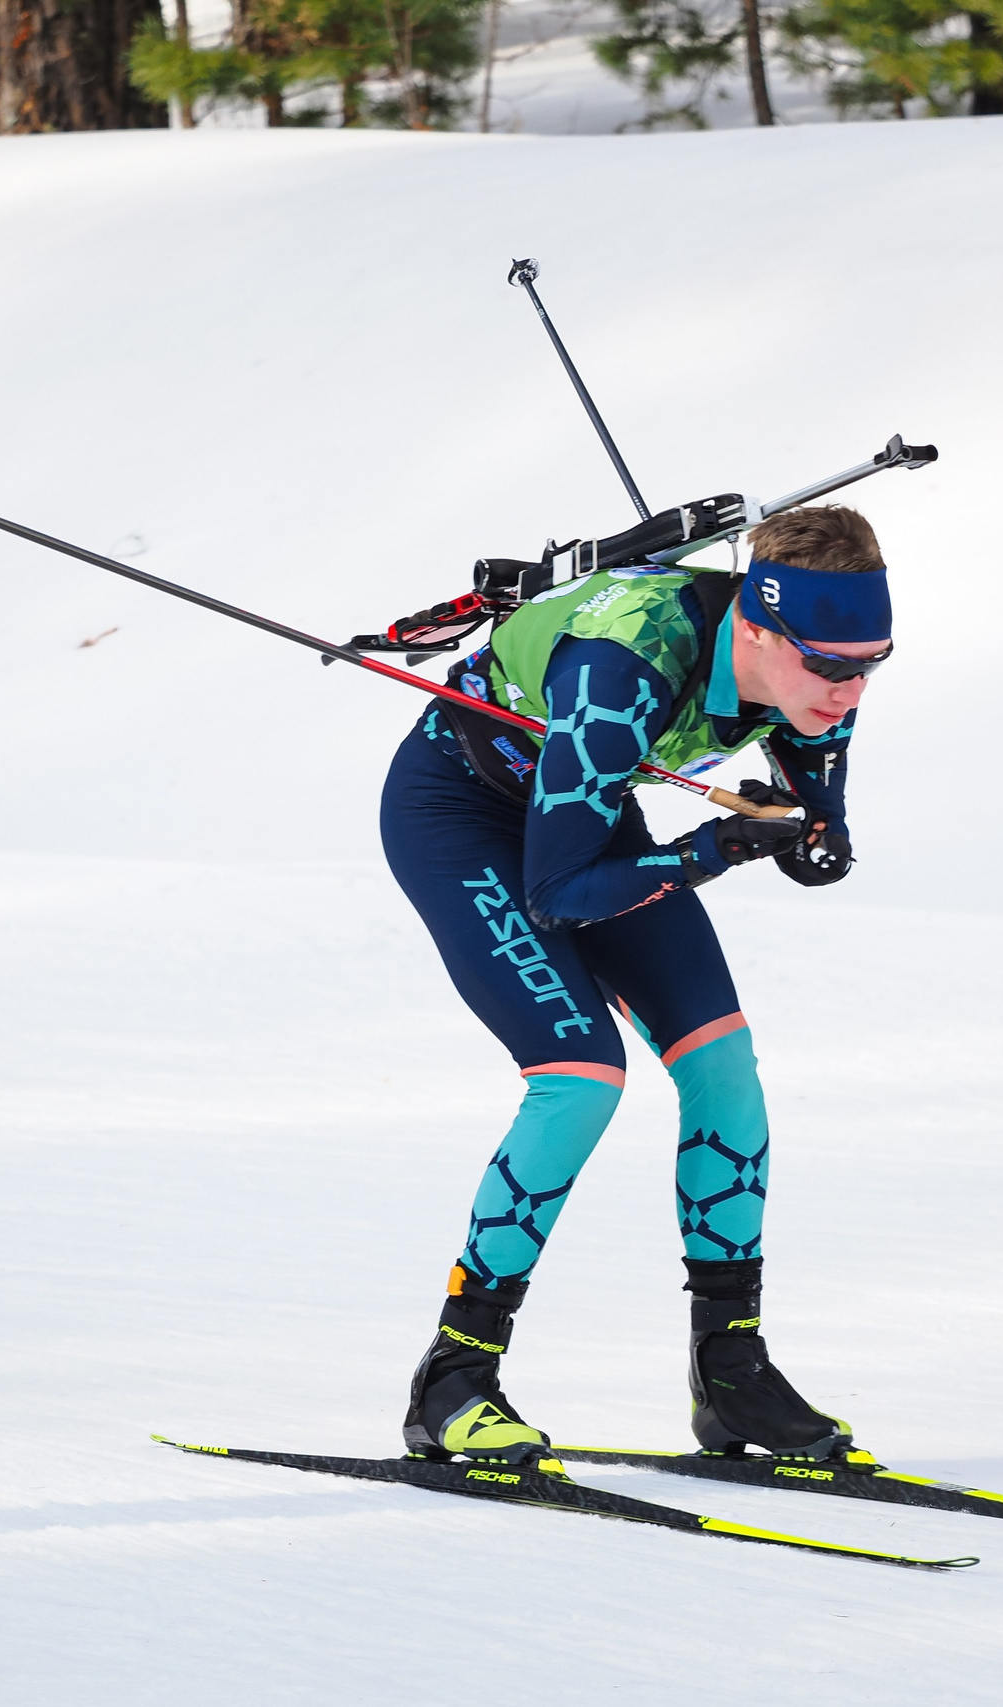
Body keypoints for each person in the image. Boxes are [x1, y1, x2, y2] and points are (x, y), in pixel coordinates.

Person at [378, 503, 893, 1464]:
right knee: (580, 1075)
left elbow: (820, 812)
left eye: (873, 662)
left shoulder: (813, 674)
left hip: (584, 818)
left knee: (725, 1071)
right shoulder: (623, 668)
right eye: (827, 664)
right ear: (755, 624)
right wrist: (716, 847)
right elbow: (559, 892)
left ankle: (730, 1372)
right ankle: (454, 1377)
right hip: (467, 817)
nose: (849, 689)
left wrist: (814, 834)